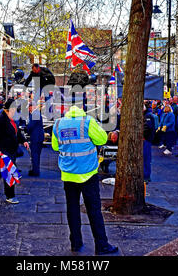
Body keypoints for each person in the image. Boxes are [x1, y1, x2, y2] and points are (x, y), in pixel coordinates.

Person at [52, 100, 118, 255]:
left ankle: (75, 242)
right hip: (88, 173)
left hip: (68, 174)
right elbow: (102, 139)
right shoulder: (88, 122)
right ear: (82, 108)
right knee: (94, 210)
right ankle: (101, 245)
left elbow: (55, 146)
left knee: (72, 209)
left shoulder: (58, 123)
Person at [0, 98, 29, 204]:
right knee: (9, 171)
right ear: (8, 109)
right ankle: (10, 196)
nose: (15, 111)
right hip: (4, 150)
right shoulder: (0, 119)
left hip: (11, 149)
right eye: (14, 109)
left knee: (2, 169)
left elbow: (17, 132)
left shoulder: (11, 119)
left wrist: (23, 141)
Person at [26, 100, 45, 177]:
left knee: (35, 154)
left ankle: (35, 171)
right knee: (37, 154)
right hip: (39, 137)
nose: (28, 109)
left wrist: (26, 129)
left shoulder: (35, 114)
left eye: (29, 108)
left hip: (35, 137)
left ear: (31, 107)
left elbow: (31, 126)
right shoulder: (36, 113)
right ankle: (35, 169)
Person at [143, 103, 155, 183]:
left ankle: (146, 176)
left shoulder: (147, 116)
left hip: (146, 140)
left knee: (146, 158)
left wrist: (142, 135)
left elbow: (147, 127)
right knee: (145, 159)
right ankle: (145, 175)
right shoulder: (147, 115)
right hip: (146, 139)